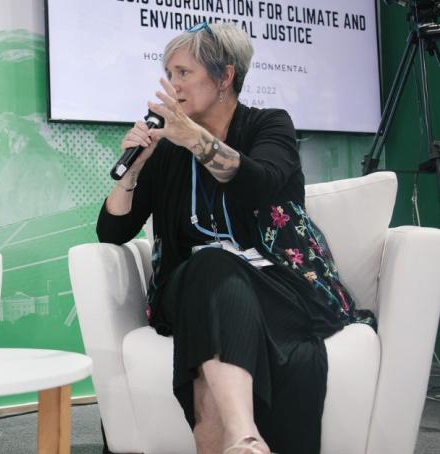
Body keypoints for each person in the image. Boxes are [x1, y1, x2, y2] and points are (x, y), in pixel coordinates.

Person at [96, 23, 373, 454]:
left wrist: (192, 137)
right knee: (210, 264)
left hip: (276, 284)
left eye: (183, 73)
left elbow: (259, 183)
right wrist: (136, 165)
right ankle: (245, 438)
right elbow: (111, 230)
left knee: (217, 281)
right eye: (169, 74)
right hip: (188, 287)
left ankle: (216, 441)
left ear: (225, 77)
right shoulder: (167, 150)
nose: (173, 85)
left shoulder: (269, 126)